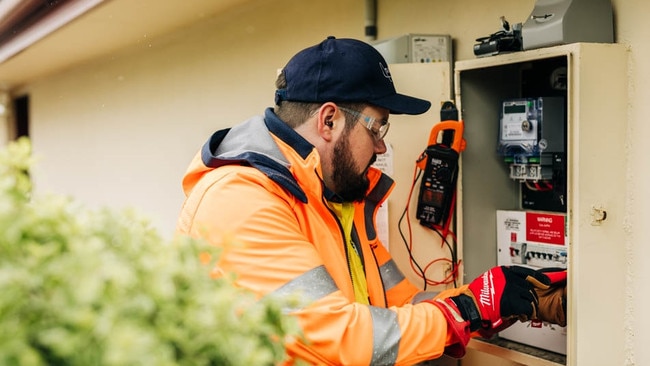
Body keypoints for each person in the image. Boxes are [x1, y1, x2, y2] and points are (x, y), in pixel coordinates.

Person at [176, 36, 567, 365]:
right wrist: (469, 309)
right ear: (328, 121)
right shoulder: (241, 198)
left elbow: (404, 307)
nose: (381, 145)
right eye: (377, 125)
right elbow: (345, 337)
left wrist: (489, 296)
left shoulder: (335, 202)